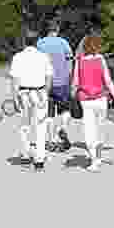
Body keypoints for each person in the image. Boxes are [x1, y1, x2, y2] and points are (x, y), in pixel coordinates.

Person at [71, 34, 114, 172]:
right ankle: (98, 156)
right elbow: (107, 80)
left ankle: (94, 160)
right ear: (97, 46)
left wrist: (72, 96)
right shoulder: (101, 59)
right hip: (101, 99)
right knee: (100, 128)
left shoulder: (79, 61)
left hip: (85, 100)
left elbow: (75, 83)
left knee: (89, 130)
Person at [9, 29, 53, 171]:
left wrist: (15, 97)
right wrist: (45, 92)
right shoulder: (44, 57)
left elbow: (15, 80)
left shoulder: (17, 57)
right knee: (41, 125)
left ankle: (26, 154)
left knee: (24, 125)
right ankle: (39, 159)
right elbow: (49, 77)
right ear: (37, 42)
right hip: (39, 92)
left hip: (24, 92)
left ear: (25, 42)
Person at [37, 18, 73, 152]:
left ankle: (51, 140)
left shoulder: (40, 44)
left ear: (47, 30)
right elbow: (70, 61)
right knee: (65, 109)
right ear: (57, 30)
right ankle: (63, 128)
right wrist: (69, 77)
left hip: (46, 83)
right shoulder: (64, 43)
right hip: (62, 82)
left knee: (49, 113)